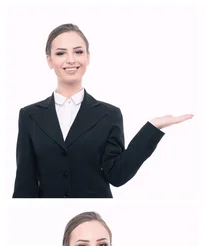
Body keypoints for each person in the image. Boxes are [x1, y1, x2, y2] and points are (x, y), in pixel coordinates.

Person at [13, 23, 193, 198]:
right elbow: (24, 181)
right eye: (61, 53)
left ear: (88, 57)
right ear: (49, 61)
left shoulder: (109, 115)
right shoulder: (29, 115)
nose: (71, 60)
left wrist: (152, 128)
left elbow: (117, 175)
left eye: (78, 52)